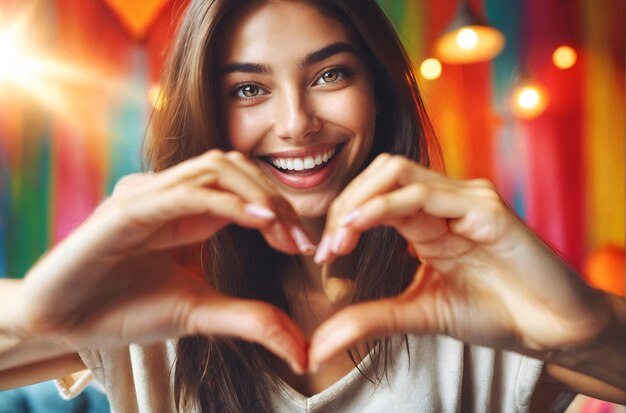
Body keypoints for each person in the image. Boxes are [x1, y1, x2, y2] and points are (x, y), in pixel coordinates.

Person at [0, 0, 624, 411]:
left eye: (330, 75)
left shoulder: (475, 302)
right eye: (248, 89)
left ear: (377, 93)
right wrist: (34, 315)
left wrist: (590, 329)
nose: (296, 123)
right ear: (205, 115)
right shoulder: (156, 296)